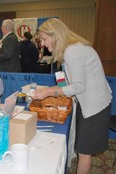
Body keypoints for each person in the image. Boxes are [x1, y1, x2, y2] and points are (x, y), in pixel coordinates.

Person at [32, 18, 112, 174]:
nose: (42, 43)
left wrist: (48, 92)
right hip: (87, 104)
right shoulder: (69, 50)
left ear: (55, 35)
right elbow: (65, 85)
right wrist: (47, 90)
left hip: (95, 107)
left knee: (84, 152)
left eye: (44, 39)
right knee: (83, 148)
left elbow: (78, 87)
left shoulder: (72, 52)